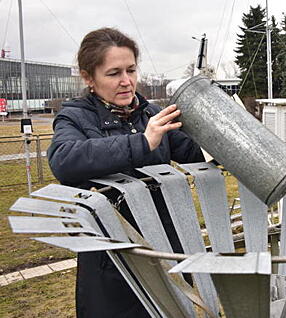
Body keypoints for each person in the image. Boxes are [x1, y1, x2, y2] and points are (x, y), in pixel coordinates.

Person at [47, 27, 204, 317]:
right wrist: (143, 142)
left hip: (167, 248)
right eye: (113, 73)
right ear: (88, 77)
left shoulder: (151, 114)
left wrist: (217, 128)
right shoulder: (75, 116)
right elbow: (64, 161)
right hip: (110, 258)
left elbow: (198, 153)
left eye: (131, 70)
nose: (126, 81)